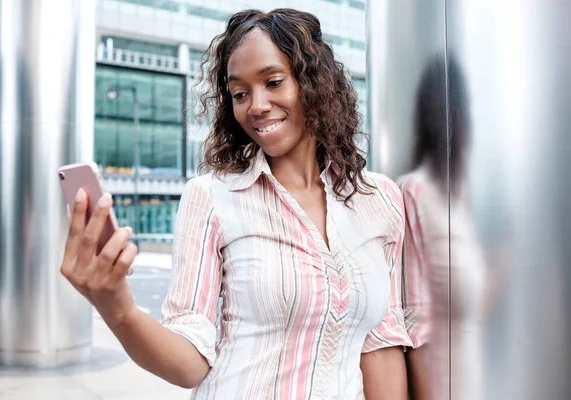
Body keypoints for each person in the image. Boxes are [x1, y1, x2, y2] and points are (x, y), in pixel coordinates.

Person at [60, 8, 412, 399]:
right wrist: (118, 309)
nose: (256, 106)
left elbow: (381, 340)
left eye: (273, 82)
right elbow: (190, 362)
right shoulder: (211, 197)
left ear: (316, 84)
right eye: (240, 93)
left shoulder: (378, 199)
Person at [398, 56, 491, 400]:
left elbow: (470, 305)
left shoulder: (460, 195)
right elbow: (412, 322)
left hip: (473, 381)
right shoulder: (414, 191)